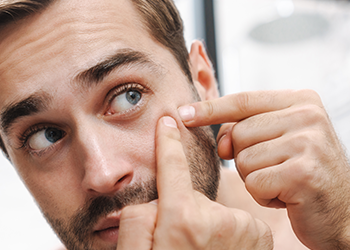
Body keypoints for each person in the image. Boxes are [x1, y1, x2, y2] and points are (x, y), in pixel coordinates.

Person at [0, 0, 349, 249]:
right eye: (45, 136)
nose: (103, 174)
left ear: (202, 81)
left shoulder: (329, 227)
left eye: (127, 97)